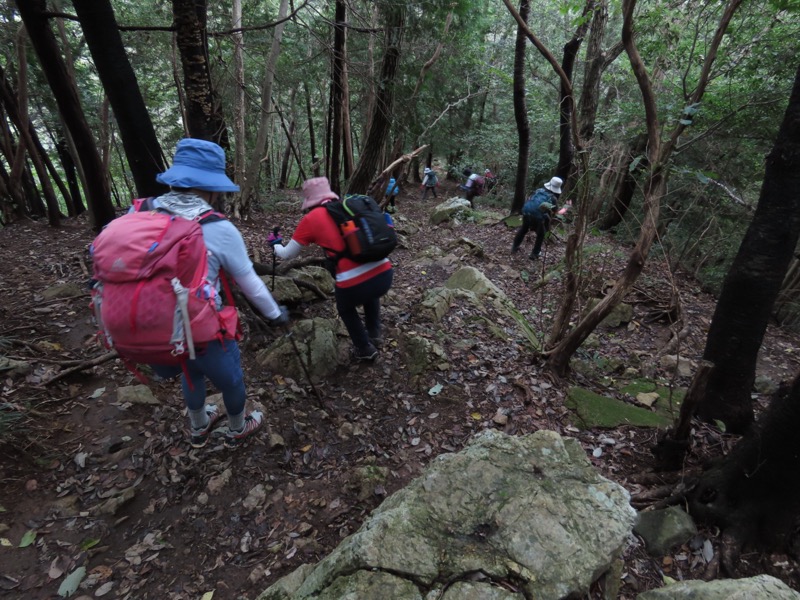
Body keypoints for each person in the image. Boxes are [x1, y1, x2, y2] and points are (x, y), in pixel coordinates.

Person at [143, 138, 290, 448]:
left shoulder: (143, 214)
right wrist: (276, 314)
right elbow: (249, 282)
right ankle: (238, 428)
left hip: (156, 330)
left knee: (190, 371)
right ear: (210, 186)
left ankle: (199, 426)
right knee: (232, 381)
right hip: (203, 329)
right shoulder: (217, 228)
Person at [272, 177, 393, 362]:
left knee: (345, 307)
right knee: (370, 291)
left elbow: (287, 255)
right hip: (384, 272)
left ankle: (365, 349)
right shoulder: (349, 207)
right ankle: (374, 334)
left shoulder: (311, 219)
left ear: (309, 201)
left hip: (353, 283)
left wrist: (275, 245)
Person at [512, 176, 563, 260]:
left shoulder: (539, 190)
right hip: (537, 216)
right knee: (541, 234)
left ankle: (514, 247)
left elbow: (531, 199)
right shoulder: (553, 198)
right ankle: (535, 254)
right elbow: (556, 213)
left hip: (526, 211)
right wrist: (566, 208)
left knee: (524, 229)